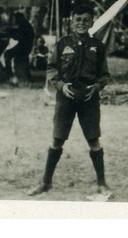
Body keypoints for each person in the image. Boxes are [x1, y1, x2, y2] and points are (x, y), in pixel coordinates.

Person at [31, 10, 111, 197]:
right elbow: (52, 69)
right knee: (57, 139)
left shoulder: (97, 46)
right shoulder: (63, 44)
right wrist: (60, 85)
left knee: (94, 140)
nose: (81, 23)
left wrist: (97, 87)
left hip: (88, 99)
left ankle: (102, 184)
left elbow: (105, 74)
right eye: (78, 20)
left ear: (91, 22)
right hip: (66, 98)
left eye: (86, 20)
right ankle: (46, 182)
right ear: (72, 22)